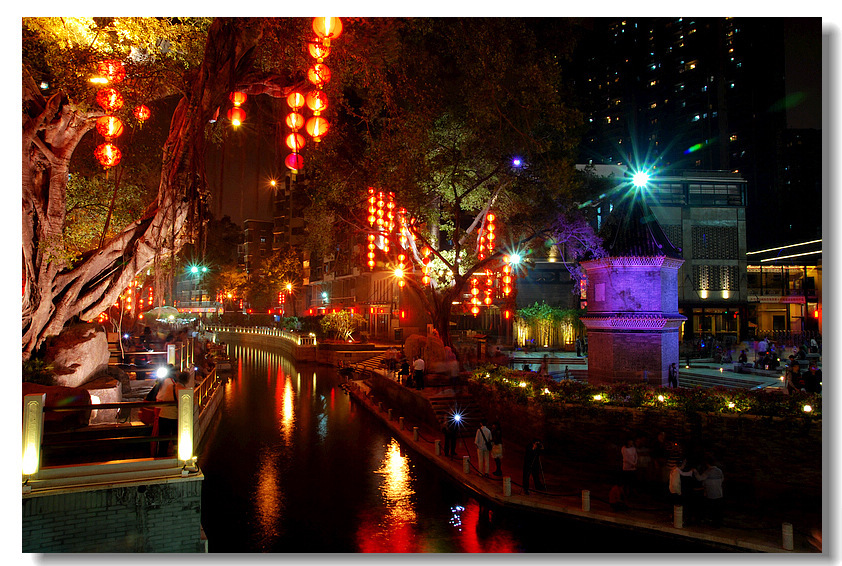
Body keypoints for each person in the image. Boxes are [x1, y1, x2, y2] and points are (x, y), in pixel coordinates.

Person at [155, 371, 189, 458]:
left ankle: (160, 458)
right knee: (176, 439)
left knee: (163, 440)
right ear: (187, 380)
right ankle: (177, 457)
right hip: (173, 418)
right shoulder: (183, 391)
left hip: (163, 415)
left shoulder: (170, 386)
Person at [693, 458, 724, 527]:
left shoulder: (708, 471)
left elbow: (700, 478)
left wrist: (695, 472)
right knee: (718, 509)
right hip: (719, 493)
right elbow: (722, 479)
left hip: (711, 493)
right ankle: (718, 522)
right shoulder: (719, 471)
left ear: (707, 464)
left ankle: (712, 522)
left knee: (711, 509)